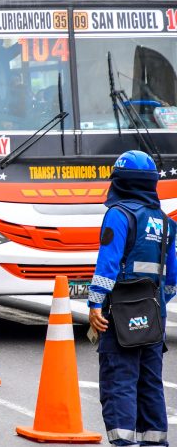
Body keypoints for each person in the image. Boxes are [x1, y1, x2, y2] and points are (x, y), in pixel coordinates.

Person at [87, 150, 175, 446]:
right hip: (154, 315)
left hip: (121, 314)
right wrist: (155, 308)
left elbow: (107, 265)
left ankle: (124, 442)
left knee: (119, 381)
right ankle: (155, 442)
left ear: (119, 182)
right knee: (150, 383)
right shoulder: (164, 222)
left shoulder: (118, 214)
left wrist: (95, 304)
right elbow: (172, 278)